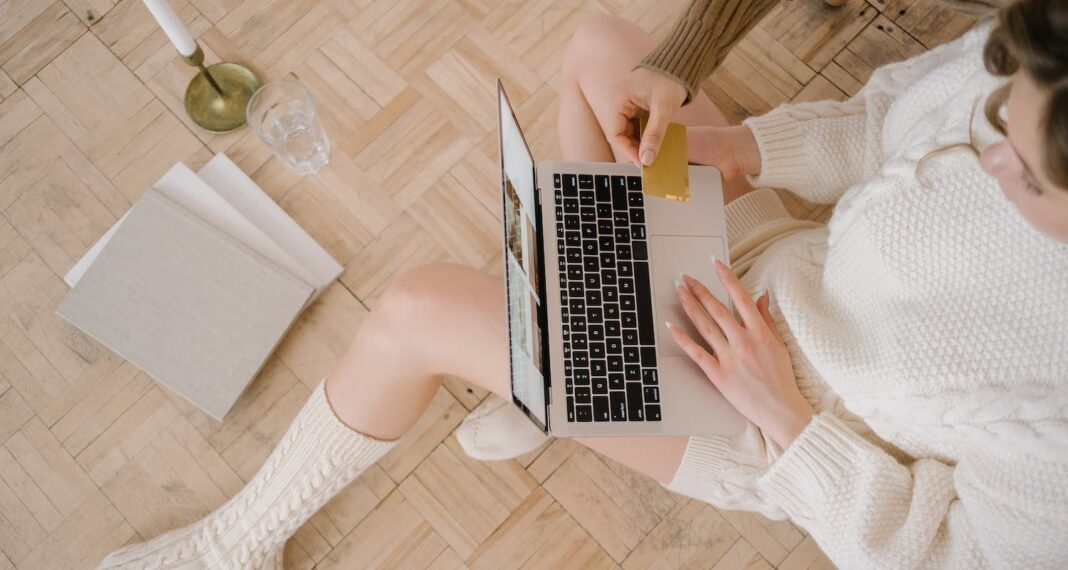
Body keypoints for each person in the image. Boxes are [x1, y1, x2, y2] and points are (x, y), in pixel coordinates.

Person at [98, 0, 1068, 567]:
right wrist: (749, 151)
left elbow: (964, 560)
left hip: (760, 414)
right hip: (774, 267)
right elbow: (882, 122)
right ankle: (558, 363)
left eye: (1023, 177)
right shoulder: (1049, 56)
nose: (987, 161)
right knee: (606, 49)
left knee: (416, 314)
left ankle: (234, 545)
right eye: (997, 121)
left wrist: (787, 416)